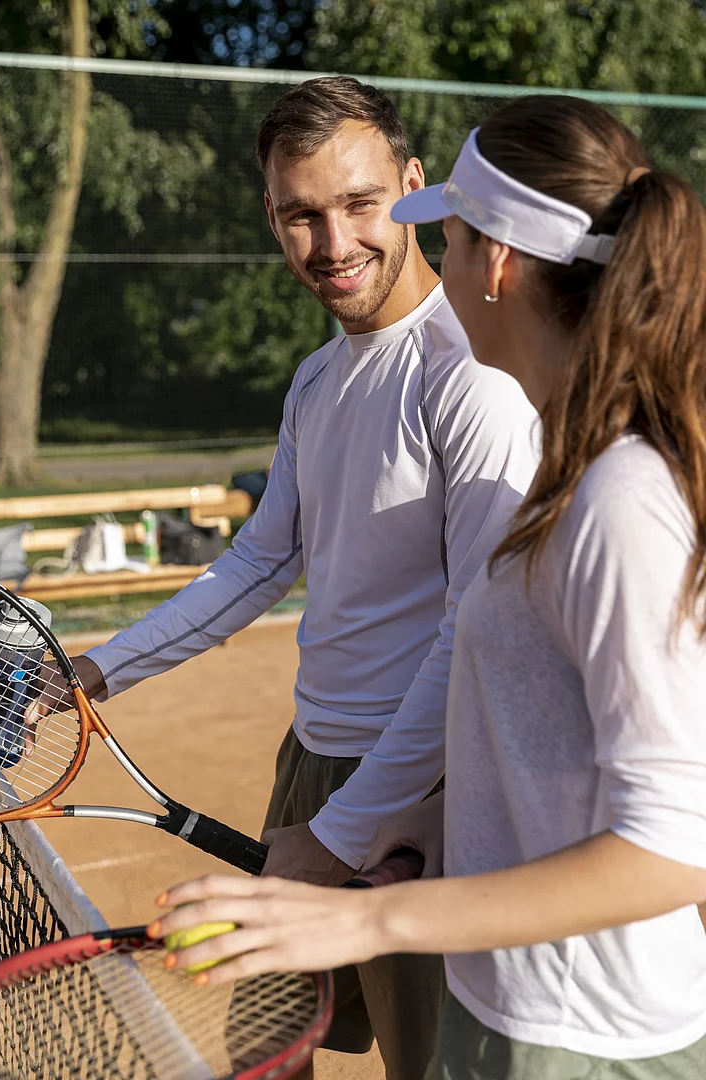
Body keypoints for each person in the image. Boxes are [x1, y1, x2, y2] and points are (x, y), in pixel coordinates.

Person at [150, 95, 706, 1080]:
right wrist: (421, 824)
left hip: (585, 1042)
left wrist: (370, 916)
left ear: (496, 263)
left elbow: (674, 849)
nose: (429, 265)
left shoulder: (620, 500)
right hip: (516, 1009)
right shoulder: (570, 474)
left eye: (445, 236)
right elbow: (548, 748)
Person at [57, 79, 539, 1078]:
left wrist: (349, 828)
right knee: (267, 1055)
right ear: (272, 217)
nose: (333, 243)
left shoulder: (470, 376)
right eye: (301, 215)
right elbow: (258, 562)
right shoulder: (317, 381)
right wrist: (95, 671)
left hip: (431, 788)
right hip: (311, 760)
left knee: (436, 1067)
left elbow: (475, 627)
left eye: (360, 204)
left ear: (415, 187)